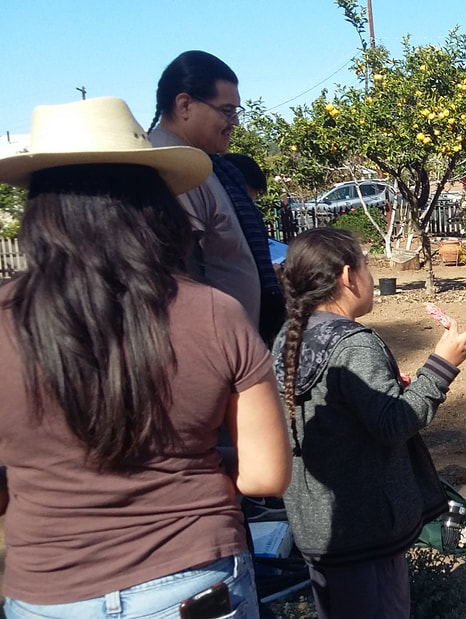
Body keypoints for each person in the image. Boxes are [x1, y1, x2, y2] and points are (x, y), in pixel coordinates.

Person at [0, 97, 291, 617]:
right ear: (154, 204)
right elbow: (265, 475)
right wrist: (192, 463)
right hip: (195, 582)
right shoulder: (214, 312)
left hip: (51, 592)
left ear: (40, 208)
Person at [273, 227, 466, 618]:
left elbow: (338, 408)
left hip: (319, 525)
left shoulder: (291, 334)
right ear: (347, 277)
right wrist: (443, 365)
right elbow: (394, 423)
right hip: (365, 528)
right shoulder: (355, 343)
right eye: (367, 268)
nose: (371, 278)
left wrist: (388, 387)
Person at [149, 50, 285, 344]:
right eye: (226, 110)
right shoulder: (169, 169)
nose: (235, 121)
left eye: (236, 111)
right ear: (185, 105)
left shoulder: (209, 166)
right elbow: (181, 276)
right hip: (210, 347)